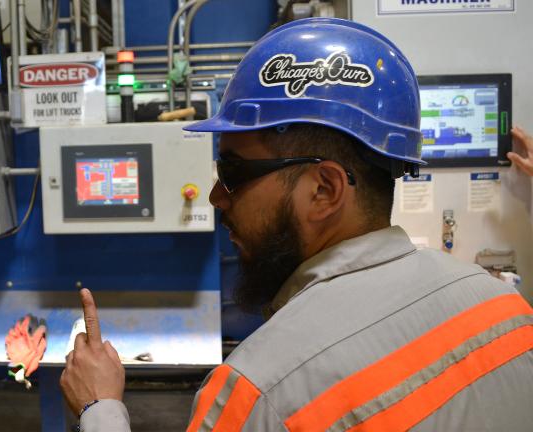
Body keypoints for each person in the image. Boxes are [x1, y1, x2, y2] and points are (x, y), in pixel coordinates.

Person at [60, 18, 533, 431]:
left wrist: (99, 408)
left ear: (324, 189)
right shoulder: (504, 309)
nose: (216, 197)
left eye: (233, 173)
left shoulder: (259, 394)